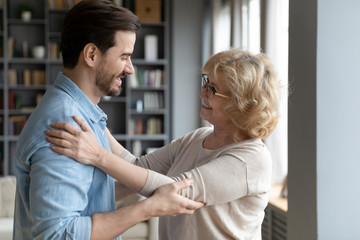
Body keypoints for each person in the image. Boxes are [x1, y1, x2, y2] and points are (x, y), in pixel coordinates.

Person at [13, 1, 203, 239]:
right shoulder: (67, 123)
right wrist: (147, 209)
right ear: (91, 54)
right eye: (124, 56)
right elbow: (57, 235)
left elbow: (90, 193)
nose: (131, 68)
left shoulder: (82, 114)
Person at [45, 48, 282, 239]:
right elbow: (138, 166)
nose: (202, 94)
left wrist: (99, 156)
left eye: (212, 90)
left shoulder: (252, 159)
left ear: (240, 103)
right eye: (205, 83)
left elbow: (172, 192)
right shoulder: (197, 137)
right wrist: (96, 122)